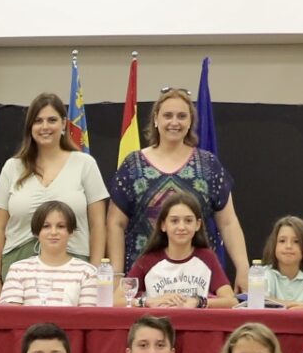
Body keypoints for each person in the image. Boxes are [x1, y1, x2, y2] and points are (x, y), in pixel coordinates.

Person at [106, 86, 248, 282]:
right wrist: (116, 275)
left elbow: (228, 222)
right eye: (168, 115)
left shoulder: (208, 165)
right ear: (156, 119)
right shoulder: (133, 165)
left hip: (199, 279)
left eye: (182, 116)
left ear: (190, 121)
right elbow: (115, 223)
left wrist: (243, 268)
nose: (174, 122)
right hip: (144, 280)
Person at [0, 90, 108, 293]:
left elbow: (98, 225)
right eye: (38, 121)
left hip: (74, 266)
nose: (45, 127)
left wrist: (95, 274)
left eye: (52, 120)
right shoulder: (12, 167)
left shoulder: (85, 164)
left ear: (63, 124)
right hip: (18, 265)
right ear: (30, 127)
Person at [128, 190, 234, 308]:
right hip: (158, 324)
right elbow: (117, 300)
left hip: (195, 325)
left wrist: (198, 302)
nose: (181, 227)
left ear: (197, 225)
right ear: (163, 225)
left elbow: (231, 301)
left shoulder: (207, 258)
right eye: (174, 221)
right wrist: (147, 301)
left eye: (188, 221)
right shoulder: (147, 261)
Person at [0, 201, 108, 308]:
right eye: (46, 226)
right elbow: (10, 317)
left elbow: (88, 318)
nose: (53, 232)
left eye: (61, 226)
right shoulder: (18, 270)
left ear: (71, 232)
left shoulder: (87, 272)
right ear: (36, 232)